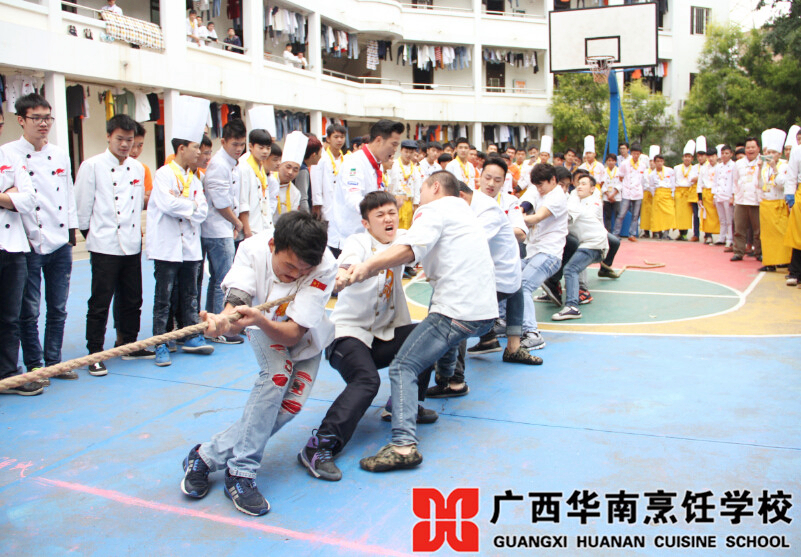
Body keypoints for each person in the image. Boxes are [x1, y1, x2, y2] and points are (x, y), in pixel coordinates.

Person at [180, 211, 335, 515]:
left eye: (304, 270)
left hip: (300, 332)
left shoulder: (325, 266)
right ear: (273, 244)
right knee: (277, 376)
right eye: (289, 265)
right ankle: (241, 473)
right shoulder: (251, 249)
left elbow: (293, 332)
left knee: (288, 408)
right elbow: (238, 301)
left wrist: (260, 320)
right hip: (263, 325)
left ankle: (205, 456)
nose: (295, 275)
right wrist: (224, 322)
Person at [342, 171, 497, 472]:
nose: (418, 199)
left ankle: (402, 446)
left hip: (457, 309)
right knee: (438, 333)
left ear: (435, 187)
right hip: (483, 312)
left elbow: (408, 249)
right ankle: (449, 377)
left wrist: (367, 267)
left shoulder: (433, 209)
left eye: (422, 190)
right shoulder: (464, 210)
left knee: (404, 365)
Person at [298, 192, 437, 482]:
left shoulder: (402, 241)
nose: (388, 219)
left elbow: (422, 243)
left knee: (428, 336)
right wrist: (347, 273)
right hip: (349, 335)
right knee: (367, 381)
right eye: (380, 215)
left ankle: (399, 405)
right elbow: (347, 263)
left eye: (391, 213)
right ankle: (319, 445)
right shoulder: (357, 242)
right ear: (366, 223)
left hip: (384, 334)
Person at [1, 94, 77, 381]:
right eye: (37, 118)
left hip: (59, 241)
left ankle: (55, 361)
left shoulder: (59, 154)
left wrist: (70, 230)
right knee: (28, 310)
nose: (44, 123)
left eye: (48, 118)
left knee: (58, 307)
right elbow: (17, 198)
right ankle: (35, 365)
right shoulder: (9, 153)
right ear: (21, 120)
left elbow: (67, 193)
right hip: (28, 240)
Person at [75, 114, 150, 376]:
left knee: (132, 298)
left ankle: (128, 343)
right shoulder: (92, 165)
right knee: (100, 301)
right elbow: (82, 208)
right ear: (108, 136)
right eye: (120, 139)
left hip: (131, 243)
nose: (125, 145)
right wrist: (93, 235)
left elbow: (136, 205)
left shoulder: (138, 169)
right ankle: (95, 352)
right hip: (104, 244)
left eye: (129, 140)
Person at [146, 95, 212, 367]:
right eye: (196, 147)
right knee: (164, 297)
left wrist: (187, 205)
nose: (200, 153)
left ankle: (191, 334)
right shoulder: (163, 174)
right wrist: (190, 205)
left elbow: (203, 210)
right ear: (182, 148)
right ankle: (160, 342)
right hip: (167, 246)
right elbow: (167, 203)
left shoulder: (195, 178)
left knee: (190, 294)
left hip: (190, 247)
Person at [457, 182, 541, 365]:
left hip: (499, 272)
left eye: (497, 179)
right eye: (488, 177)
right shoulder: (474, 205)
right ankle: (499, 342)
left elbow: (520, 233)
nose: (491, 183)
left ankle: (453, 377)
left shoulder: (494, 208)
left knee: (457, 308)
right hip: (493, 269)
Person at [0, 109, 40, 395]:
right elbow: (16, 199)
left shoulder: (11, 158)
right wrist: (8, 196)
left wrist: (12, 198)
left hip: (13, 247)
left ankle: (9, 374)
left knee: (10, 317)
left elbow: (28, 200)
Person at [201, 119, 247, 343]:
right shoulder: (220, 164)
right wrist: (237, 222)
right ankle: (219, 327)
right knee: (223, 280)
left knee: (218, 280)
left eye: (241, 145)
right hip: (217, 228)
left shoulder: (232, 163)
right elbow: (220, 202)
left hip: (223, 226)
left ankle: (214, 323)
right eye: (235, 144)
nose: (239, 149)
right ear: (223, 142)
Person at [332, 119, 403, 253]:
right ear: (379, 140)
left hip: (367, 236)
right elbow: (353, 199)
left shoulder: (378, 164)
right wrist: (382, 210)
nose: (395, 150)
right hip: (348, 238)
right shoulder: (354, 163)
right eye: (393, 144)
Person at [518, 164, 568, 350]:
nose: (539, 189)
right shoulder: (538, 190)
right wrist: (520, 209)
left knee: (524, 285)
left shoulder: (557, 196)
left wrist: (514, 218)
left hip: (549, 254)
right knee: (506, 275)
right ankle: (504, 321)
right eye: (536, 185)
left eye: (542, 185)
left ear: (553, 180)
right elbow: (527, 200)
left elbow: (537, 217)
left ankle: (532, 333)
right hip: (534, 252)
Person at [552, 175, 609, 321]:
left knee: (571, 268)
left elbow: (560, 217)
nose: (579, 186)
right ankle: (553, 287)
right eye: (578, 184)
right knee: (569, 254)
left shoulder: (584, 203)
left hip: (595, 243)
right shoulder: (574, 200)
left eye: (584, 184)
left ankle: (572, 306)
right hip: (587, 242)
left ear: (592, 189)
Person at [759, 128, 791, 272]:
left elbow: (781, 184)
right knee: (767, 236)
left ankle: (784, 260)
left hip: (778, 203)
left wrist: (774, 168)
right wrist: (760, 169)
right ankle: (769, 262)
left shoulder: (784, 166)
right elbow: (760, 185)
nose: (771, 155)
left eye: (774, 153)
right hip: (766, 203)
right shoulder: (764, 168)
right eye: (769, 152)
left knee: (781, 233)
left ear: (779, 154)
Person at [311, 123, 347, 253]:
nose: (339, 140)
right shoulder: (322, 159)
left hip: (342, 205)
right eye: (336, 137)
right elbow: (316, 182)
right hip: (327, 203)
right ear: (328, 139)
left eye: (342, 137)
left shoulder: (347, 159)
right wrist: (317, 205)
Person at [238, 128, 275, 240]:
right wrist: (247, 231)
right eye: (261, 147)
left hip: (263, 226)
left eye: (268, 148)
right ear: (250, 146)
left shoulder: (260, 165)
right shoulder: (244, 166)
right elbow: (242, 202)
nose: (265, 151)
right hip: (251, 229)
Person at [731, 137, 763, 262]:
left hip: (756, 200)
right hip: (741, 200)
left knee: (758, 230)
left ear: (758, 149)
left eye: (753, 147)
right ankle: (738, 252)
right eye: (748, 147)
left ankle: (759, 252)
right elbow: (735, 181)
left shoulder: (762, 162)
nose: (750, 150)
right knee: (739, 228)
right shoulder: (739, 163)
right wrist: (735, 196)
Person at [271, 131, 309, 223]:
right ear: (280, 164)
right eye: (288, 167)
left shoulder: (295, 193)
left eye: (295, 170)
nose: (290, 172)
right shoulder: (268, 182)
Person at [613, 143, 647, 241]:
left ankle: (632, 234)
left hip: (638, 192)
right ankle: (616, 233)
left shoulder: (642, 165)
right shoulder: (625, 164)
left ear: (640, 154)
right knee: (621, 214)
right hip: (627, 191)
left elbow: (643, 179)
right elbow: (620, 176)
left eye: (638, 154)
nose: (636, 156)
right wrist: (625, 185)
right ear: (631, 153)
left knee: (635, 215)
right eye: (634, 153)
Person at [389, 139, 423, 230]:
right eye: (406, 152)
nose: (408, 155)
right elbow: (389, 183)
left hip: (409, 203)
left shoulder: (415, 169)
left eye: (411, 152)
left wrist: (415, 207)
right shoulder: (393, 165)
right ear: (401, 151)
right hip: (395, 201)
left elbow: (417, 190)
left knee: (407, 230)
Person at [673, 140, 698, 241]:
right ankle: (680, 233)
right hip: (679, 192)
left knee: (687, 215)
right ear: (682, 157)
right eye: (685, 156)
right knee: (678, 214)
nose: (687, 158)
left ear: (692, 158)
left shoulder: (695, 168)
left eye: (689, 157)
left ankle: (685, 234)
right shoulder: (677, 168)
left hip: (688, 192)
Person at [784, 140, 801, 286]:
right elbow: (791, 175)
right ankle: (795, 273)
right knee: (797, 234)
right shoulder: (798, 151)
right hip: (800, 194)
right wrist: (790, 196)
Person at [647, 153, 675, 240]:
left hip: (667, 194)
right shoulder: (652, 174)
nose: (659, 163)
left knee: (670, 214)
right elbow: (651, 187)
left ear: (663, 162)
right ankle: (659, 233)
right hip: (658, 194)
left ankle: (666, 233)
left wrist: (672, 194)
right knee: (658, 216)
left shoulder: (669, 171)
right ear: (654, 162)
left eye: (661, 161)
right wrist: (655, 195)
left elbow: (673, 183)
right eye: (657, 161)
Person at [294, 133, 322, 214]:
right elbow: (303, 198)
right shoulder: (302, 170)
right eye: (320, 153)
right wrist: (307, 218)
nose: (320, 157)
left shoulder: (299, 165)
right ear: (314, 155)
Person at [715, 145, 736, 251]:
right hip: (719, 195)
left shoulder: (734, 166)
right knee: (722, 219)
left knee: (729, 220)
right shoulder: (718, 166)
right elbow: (716, 181)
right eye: (722, 153)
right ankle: (721, 237)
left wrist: (733, 195)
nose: (724, 155)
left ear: (731, 154)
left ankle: (730, 239)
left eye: (727, 153)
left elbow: (734, 182)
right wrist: (715, 194)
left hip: (728, 195)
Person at [698, 147, 720, 244]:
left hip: (718, 193)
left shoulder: (720, 167)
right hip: (706, 193)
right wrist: (699, 197)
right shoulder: (703, 168)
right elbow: (699, 183)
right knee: (706, 216)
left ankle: (722, 236)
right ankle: (708, 235)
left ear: (716, 156)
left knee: (719, 216)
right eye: (709, 157)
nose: (711, 159)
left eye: (713, 156)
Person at [600, 153, 621, 231]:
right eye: (609, 160)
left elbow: (620, 183)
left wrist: (613, 195)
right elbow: (602, 184)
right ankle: (607, 231)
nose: (610, 162)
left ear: (615, 161)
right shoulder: (604, 171)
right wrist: (608, 195)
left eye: (612, 160)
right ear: (606, 162)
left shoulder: (619, 171)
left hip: (616, 196)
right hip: (607, 196)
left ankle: (616, 231)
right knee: (607, 215)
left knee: (617, 215)